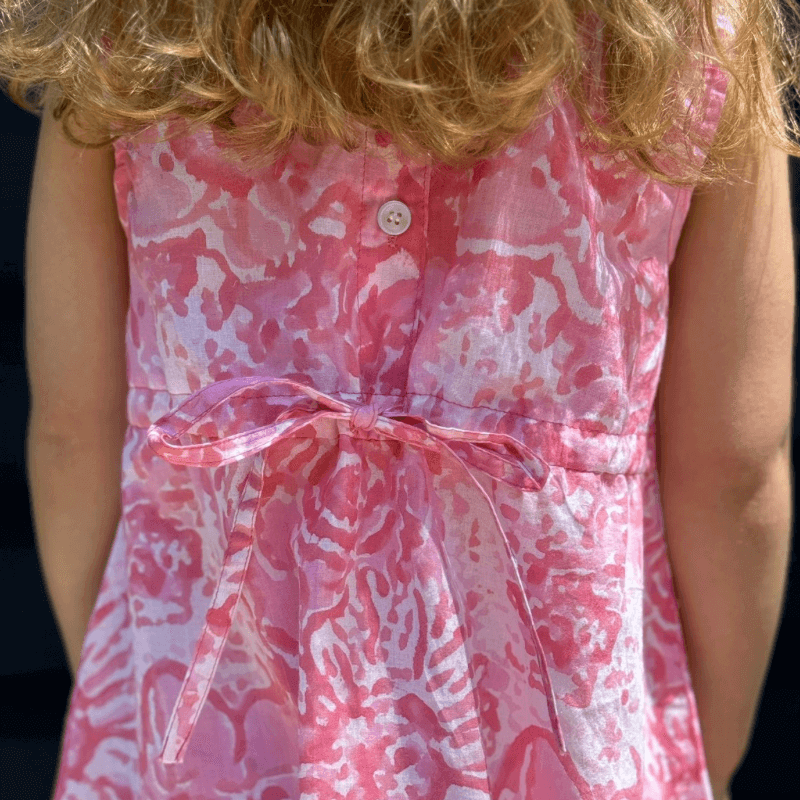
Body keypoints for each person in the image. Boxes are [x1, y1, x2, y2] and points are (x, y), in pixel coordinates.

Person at [1, 1, 795, 798]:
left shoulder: (125, 23)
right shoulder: (697, 28)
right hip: (568, 752)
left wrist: (122, 686)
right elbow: (733, 472)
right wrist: (701, 754)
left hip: (204, 747)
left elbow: (74, 430)